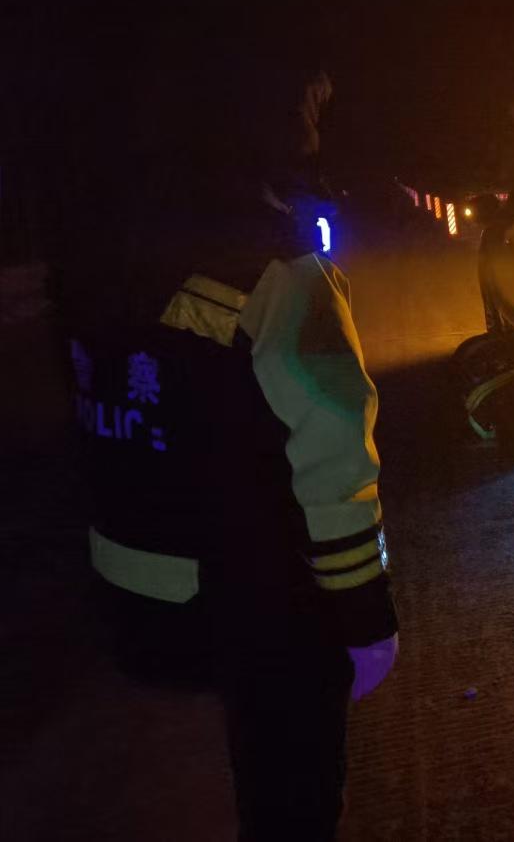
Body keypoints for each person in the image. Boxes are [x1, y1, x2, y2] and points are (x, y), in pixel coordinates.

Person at [57, 48, 398, 840]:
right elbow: (333, 460)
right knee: (293, 803)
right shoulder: (276, 273)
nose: (317, 122)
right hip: (263, 607)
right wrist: (364, 616)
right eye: (309, 104)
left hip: (146, 601)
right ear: (264, 118)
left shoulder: (100, 262)